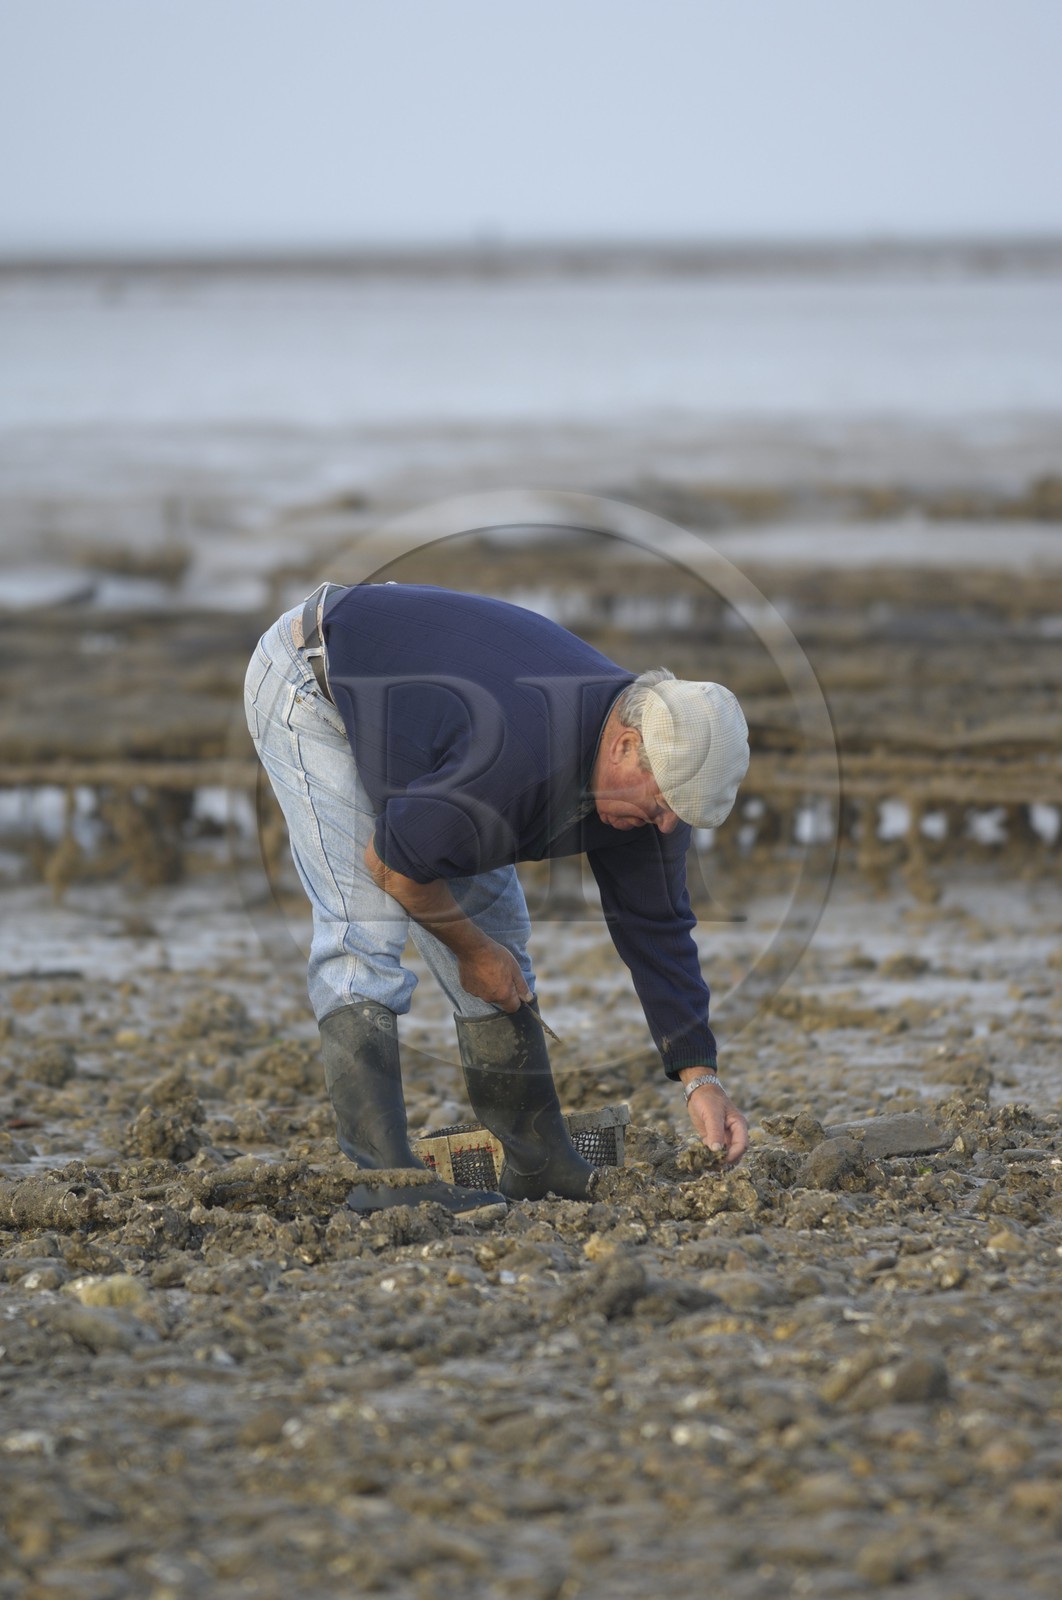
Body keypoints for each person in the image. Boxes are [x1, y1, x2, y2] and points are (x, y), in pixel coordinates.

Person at [244, 581, 750, 1214]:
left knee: (498, 933)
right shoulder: (512, 759)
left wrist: (699, 1076)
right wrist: (471, 951)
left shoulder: (657, 790)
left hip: (435, 727)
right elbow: (392, 865)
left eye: (684, 814)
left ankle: (539, 1161)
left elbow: (658, 928)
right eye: (666, 803)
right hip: (314, 674)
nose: (669, 826)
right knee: (363, 933)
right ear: (624, 744)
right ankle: (383, 1181)